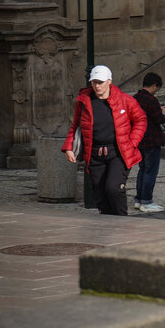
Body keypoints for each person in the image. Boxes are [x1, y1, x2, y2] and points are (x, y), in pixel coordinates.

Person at [62, 65, 147, 217]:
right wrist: (69, 147)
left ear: (109, 81)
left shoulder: (125, 100)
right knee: (100, 194)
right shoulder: (84, 101)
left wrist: (132, 142)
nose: (97, 85)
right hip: (94, 154)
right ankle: (107, 225)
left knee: (113, 188)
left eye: (100, 82)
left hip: (118, 153)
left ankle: (123, 220)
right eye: (94, 82)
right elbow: (75, 125)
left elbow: (140, 120)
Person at [133, 72, 165, 213]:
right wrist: (163, 112)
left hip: (139, 139)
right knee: (150, 171)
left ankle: (139, 199)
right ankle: (146, 201)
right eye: (157, 88)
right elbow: (159, 119)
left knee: (142, 170)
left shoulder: (135, 98)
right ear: (154, 86)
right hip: (151, 140)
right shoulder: (151, 100)